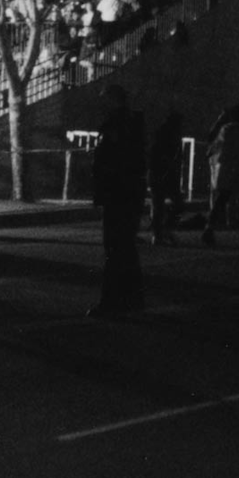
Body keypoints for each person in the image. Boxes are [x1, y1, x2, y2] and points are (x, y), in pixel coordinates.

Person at [89, 82, 148, 317]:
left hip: (119, 193)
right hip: (126, 192)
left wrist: (102, 188)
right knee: (124, 248)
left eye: (105, 98)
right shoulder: (129, 122)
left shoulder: (119, 123)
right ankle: (131, 299)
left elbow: (113, 160)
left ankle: (113, 300)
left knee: (116, 248)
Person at [201, 101, 239, 245]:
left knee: (221, 200)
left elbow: (213, 141)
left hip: (228, 168)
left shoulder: (226, 129)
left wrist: (220, 120)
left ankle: (209, 229)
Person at [148, 109, 188, 245]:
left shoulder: (163, 133)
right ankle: (163, 231)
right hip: (164, 173)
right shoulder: (169, 135)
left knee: (159, 204)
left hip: (160, 173)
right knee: (174, 203)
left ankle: (159, 233)